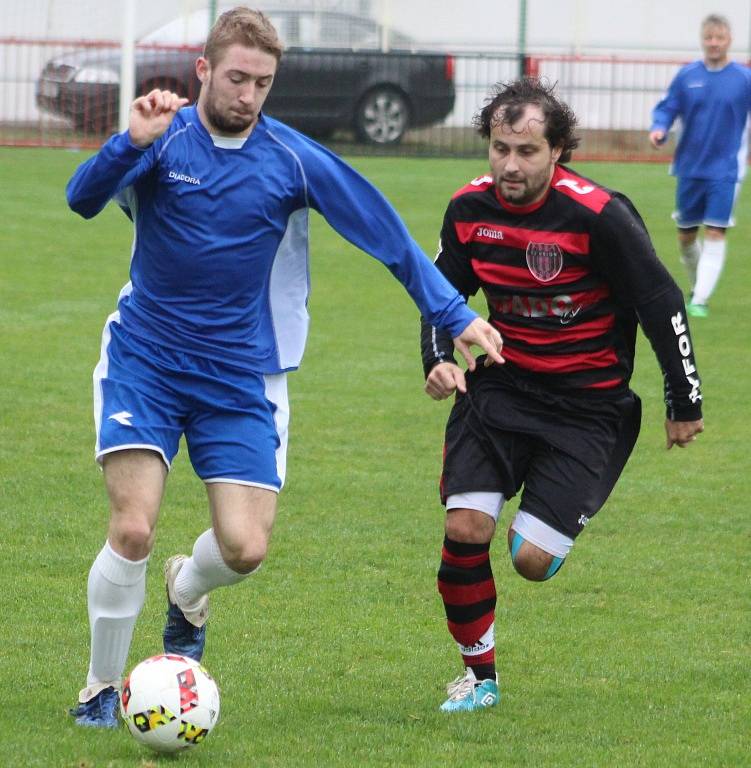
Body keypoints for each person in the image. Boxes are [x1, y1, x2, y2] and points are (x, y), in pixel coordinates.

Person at [65, 6, 503, 728]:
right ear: (204, 70)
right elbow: (81, 198)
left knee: (244, 548)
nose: (247, 95)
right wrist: (126, 142)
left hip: (240, 377)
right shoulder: (161, 136)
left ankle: (186, 589)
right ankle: (98, 689)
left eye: (262, 83)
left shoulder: (291, 158)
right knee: (134, 527)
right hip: (145, 359)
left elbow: (385, 233)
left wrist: (453, 314)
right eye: (235, 77)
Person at [420, 77, 704, 713]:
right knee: (465, 527)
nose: (510, 165)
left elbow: (662, 304)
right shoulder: (469, 212)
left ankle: (558, 509)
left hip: (587, 408)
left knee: (531, 560)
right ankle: (480, 677)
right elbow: (438, 296)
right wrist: (437, 360)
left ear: (558, 152)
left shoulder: (600, 215)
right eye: (499, 149)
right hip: (500, 392)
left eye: (526, 151)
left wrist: (683, 401)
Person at [649, 13, 751, 318]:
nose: (714, 43)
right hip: (690, 168)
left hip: (726, 170)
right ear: (702, 40)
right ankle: (698, 288)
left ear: (729, 40)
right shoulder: (687, 76)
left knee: (716, 231)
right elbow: (668, 108)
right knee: (686, 237)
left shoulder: (743, 79)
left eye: (719, 38)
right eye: (709, 38)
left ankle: (701, 300)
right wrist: (659, 128)